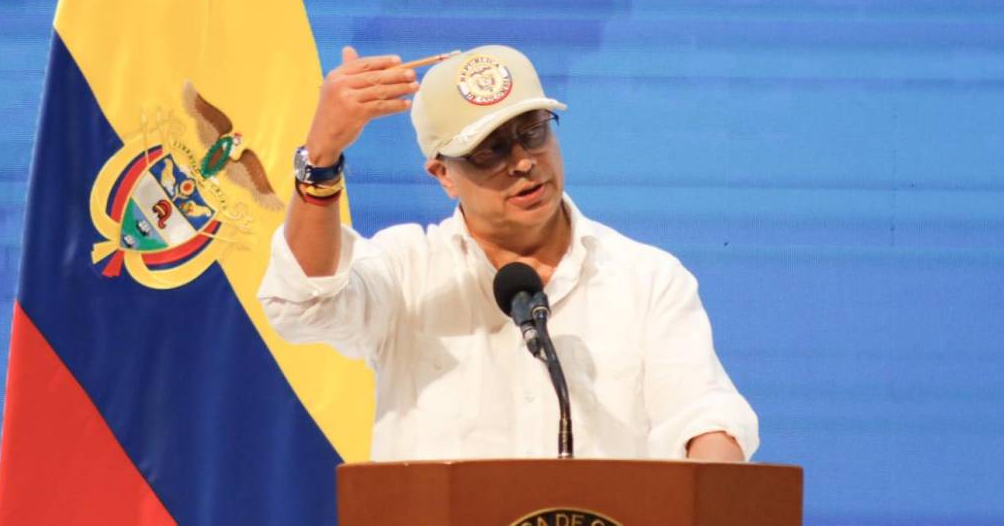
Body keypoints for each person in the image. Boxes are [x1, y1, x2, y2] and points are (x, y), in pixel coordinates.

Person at [258, 44, 758, 462]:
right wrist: (321, 158)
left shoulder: (644, 278)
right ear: (443, 175)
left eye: (533, 133)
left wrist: (712, 476)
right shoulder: (408, 270)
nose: (522, 162)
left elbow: (703, 415)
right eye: (489, 151)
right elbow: (305, 306)